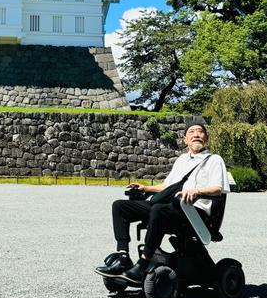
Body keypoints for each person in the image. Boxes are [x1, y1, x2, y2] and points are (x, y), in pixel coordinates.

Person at [95, 121, 230, 284]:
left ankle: (144, 262)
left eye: (200, 132)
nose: (196, 135)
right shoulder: (182, 160)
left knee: (158, 210)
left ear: (206, 138)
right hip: (171, 207)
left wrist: (196, 191)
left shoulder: (214, 160)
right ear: (185, 139)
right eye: (192, 132)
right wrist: (145, 188)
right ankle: (123, 257)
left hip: (194, 212)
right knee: (120, 206)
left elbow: (218, 188)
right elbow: (168, 187)